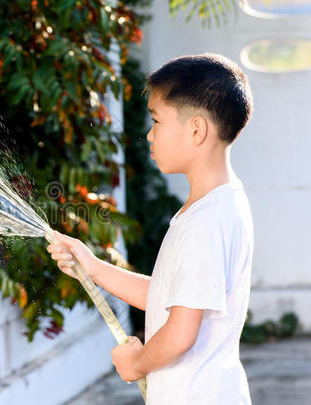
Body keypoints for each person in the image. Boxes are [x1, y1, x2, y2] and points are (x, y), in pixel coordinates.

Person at [46, 53, 254, 404]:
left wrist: (136, 363)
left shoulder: (206, 222)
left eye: (156, 121)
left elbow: (180, 334)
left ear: (197, 129)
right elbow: (169, 298)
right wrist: (91, 265)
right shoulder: (214, 207)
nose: (148, 134)